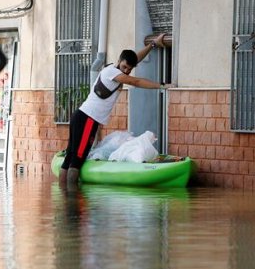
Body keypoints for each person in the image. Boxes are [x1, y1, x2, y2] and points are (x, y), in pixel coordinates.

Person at [59, 33, 174, 187]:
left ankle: (64, 199)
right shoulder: (112, 73)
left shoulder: (114, 68)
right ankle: (71, 202)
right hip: (87, 118)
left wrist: (152, 45)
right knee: (76, 160)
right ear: (119, 61)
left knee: (71, 157)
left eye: (129, 69)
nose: (126, 71)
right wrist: (161, 85)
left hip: (82, 116)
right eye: (124, 67)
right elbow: (136, 81)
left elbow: (135, 59)